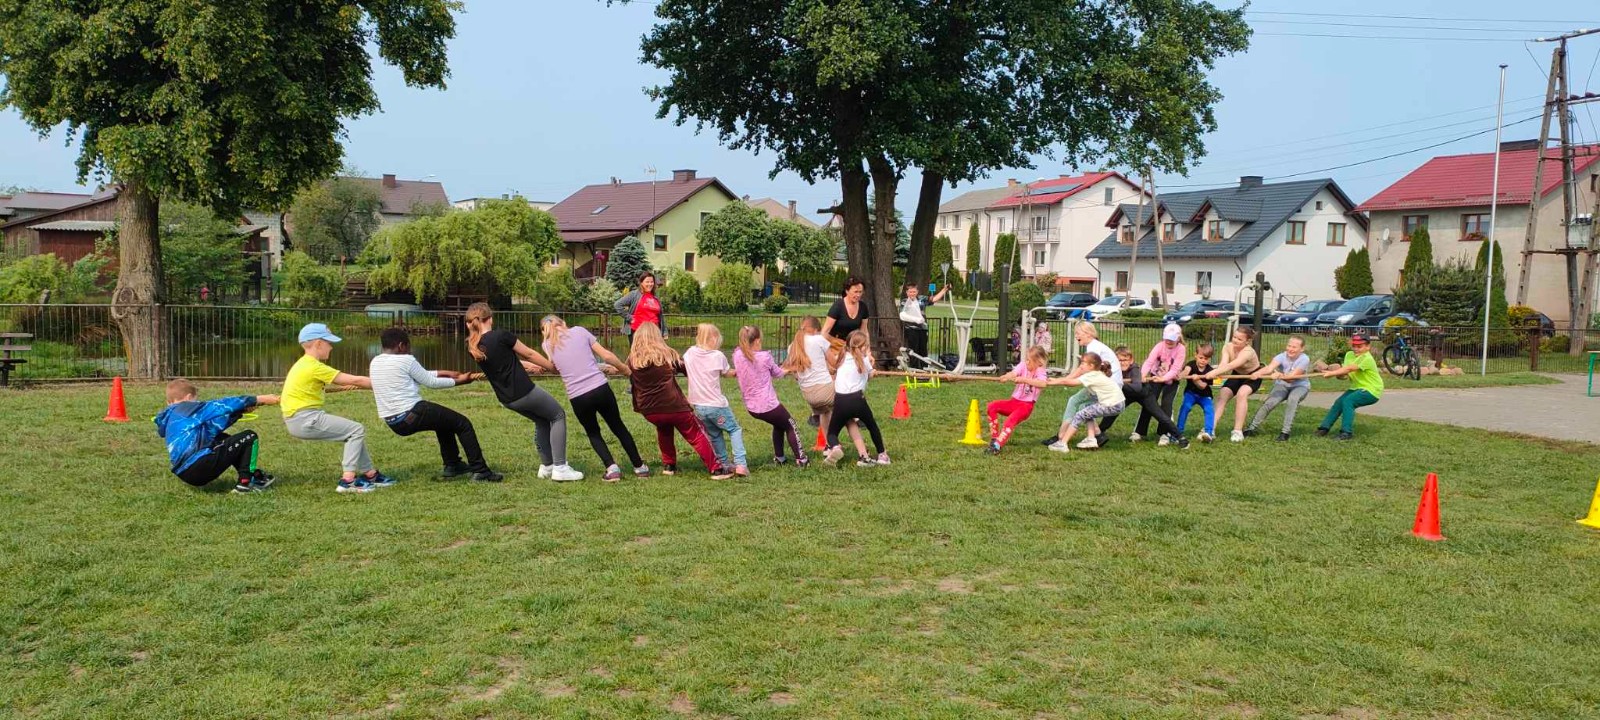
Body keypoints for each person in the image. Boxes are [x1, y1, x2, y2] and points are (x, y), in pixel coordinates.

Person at [464, 303, 583, 482]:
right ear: (490, 319)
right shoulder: (502, 335)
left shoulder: (473, 346)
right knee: (558, 415)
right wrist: (551, 367)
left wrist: (531, 366)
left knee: (542, 420)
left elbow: (506, 361)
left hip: (507, 399)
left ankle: (547, 467)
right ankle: (560, 468)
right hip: (524, 391)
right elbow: (528, 354)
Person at [370, 327, 502, 482]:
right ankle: (481, 471)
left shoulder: (375, 362)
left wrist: (443, 372)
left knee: (444, 423)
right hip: (412, 412)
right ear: (401, 346)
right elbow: (430, 382)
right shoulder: (406, 360)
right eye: (409, 347)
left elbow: (420, 374)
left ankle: (453, 465)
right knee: (463, 423)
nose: (410, 351)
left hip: (395, 422)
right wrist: (460, 381)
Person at [281, 323, 392, 493]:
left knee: (351, 431)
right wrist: (387, 384)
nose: (331, 347)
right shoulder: (314, 367)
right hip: (305, 419)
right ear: (318, 343)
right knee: (355, 430)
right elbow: (355, 380)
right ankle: (348, 481)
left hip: (299, 419)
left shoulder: (303, 364)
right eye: (328, 343)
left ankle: (370, 474)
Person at [542, 315, 648, 482]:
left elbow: (555, 367)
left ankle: (611, 469)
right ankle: (640, 467)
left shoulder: (547, 345)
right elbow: (607, 356)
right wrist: (625, 370)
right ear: (563, 323)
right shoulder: (579, 331)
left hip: (577, 396)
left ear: (545, 331)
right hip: (600, 388)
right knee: (618, 426)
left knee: (593, 432)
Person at [627, 323, 732, 479]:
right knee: (696, 434)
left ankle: (669, 465)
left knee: (664, 430)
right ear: (657, 336)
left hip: (650, 410)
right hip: (674, 406)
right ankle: (716, 469)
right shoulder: (667, 355)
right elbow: (688, 370)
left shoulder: (633, 360)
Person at [155, 379, 279, 493]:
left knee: (222, 438)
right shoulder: (187, 407)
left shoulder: (172, 417)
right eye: (196, 399)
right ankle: (245, 484)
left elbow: (211, 429)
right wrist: (258, 399)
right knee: (249, 437)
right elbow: (221, 405)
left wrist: (240, 411)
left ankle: (253, 475)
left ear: (168, 401)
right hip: (199, 465)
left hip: (186, 473)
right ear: (188, 397)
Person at [784, 316, 867, 454]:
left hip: (809, 395)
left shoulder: (792, 346)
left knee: (825, 411)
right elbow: (835, 363)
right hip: (824, 390)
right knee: (848, 414)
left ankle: (830, 446)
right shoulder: (818, 339)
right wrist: (852, 358)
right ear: (816, 330)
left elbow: (797, 374)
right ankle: (863, 453)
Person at [734, 325, 807, 467]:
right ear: (757, 341)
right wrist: (790, 369)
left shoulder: (737, 355)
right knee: (790, 425)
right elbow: (778, 373)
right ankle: (802, 460)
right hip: (768, 405)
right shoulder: (764, 357)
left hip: (752, 407)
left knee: (779, 424)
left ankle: (780, 458)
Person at [1039, 321, 1122, 447]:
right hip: (1110, 386)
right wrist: (1064, 379)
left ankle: (1061, 436)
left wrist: (1063, 380)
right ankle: (1097, 435)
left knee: (1074, 401)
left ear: (1088, 334)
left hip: (1107, 388)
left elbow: (1082, 369)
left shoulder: (1094, 347)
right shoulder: (1095, 346)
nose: (1076, 336)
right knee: (1083, 406)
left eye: (1078, 333)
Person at [684, 324, 749, 477]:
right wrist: (740, 371)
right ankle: (741, 464)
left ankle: (724, 463)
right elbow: (726, 373)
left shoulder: (689, 353)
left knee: (715, 434)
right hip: (716, 405)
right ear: (713, 338)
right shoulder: (717, 356)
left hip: (699, 405)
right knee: (734, 429)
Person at [1094, 346, 1190, 449]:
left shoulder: (1134, 369)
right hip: (1127, 395)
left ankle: (1181, 438)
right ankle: (1098, 435)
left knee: (1160, 415)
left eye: (1125, 360)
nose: (1122, 363)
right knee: (1112, 412)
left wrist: (1118, 384)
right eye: (1119, 360)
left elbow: (1137, 387)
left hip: (1144, 394)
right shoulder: (1115, 369)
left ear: (1131, 360)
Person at [823, 330, 889, 467]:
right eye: (866, 346)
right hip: (858, 400)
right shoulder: (864, 360)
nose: (867, 348)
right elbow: (869, 376)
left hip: (840, 400)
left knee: (832, 433)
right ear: (862, 347)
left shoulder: (841, 357)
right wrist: (873, 372)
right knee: (872, 427)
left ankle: (835, 447)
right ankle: (882, 455)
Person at [1045, 353, 1124, 454]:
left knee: (1079, 415)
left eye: (1083, 363)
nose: (1080, 365)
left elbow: (1071, 383)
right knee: (1086, 409)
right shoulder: (1096, 373)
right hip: (1118, 403)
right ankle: (1091, 439)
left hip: (1112, 404)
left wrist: (1053, 382)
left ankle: (1062, 443)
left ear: (1091, 366)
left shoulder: (1091, 375)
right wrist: (1057, 380)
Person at [1244, 335, 1313, 441]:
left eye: (1294, 347)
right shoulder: (1281, 356)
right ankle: (1251, 429)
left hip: (1300, 386)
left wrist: (1279, 375)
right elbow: (1269, 368)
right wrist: (1257, 373)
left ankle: (1285, 433)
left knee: (1293, 399)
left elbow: (1291, 379)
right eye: (1289, 346)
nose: (1290, 349)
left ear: (1302, 349)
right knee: (1270, 403)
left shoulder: (1304, 359)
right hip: (1282, 384)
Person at [1317, 332, 1384, 440]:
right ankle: (1323, 428)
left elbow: (1349, 368)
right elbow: (1346, 373)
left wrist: (1332, 373)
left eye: (1359, 346)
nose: (1356, 349)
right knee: (1339, 402)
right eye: (1354, 346)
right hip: (1357, 387)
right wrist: (1337, 374)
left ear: (1368, 347)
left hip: (1372, 390)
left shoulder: (1367, 358)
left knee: (1348, 401)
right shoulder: (1349, 355)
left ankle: (1346, 433)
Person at [984, 345, 1050, 454]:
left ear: (1039, 362)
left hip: (1026, 406)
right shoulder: (1023, 365)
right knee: (992, 406)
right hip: (1014, 402)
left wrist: (1024, 380)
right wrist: (1006, 376)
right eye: (1027, 359)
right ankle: (995, 438)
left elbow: (1042, 384)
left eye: (1030, 361)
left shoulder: (1040, 371)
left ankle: (997, 446)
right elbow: (1013, 373)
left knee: (1010, 421)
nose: (1027, 362)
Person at [1204, 327, 1263, 443]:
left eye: (1239, 339)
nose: (1235, 340)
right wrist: (1217, 372)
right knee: (1223, 394)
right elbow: (1224, 364)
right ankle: (1210, 429)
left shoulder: (1248, 352)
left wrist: (1214, 372)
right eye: (1234, 337)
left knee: (1242, 394)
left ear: (1247, 341)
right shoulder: (1227, 347)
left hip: (1252, 377)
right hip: (1237, 375)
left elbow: (1232, 365)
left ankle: (1237, 431)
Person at [1134, 324, 1186, 442]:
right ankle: (1139, 431)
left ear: (1178, 338)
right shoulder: (1159, 346)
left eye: (1172, 339)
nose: (1169, 341)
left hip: (1171, 380)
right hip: (1155, 377)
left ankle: (1164, 433)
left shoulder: (1181, 349)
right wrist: (1143, 375)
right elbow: (1149, 362)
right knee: (1149, 402)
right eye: (1167, 338)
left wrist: (1164, 378)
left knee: (1166, 404)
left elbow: (1175, 369)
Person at [898, 282, 949, 368]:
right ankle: (914, 369)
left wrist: (944, 290)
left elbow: (933, 299)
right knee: (913, 351)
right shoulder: (904, 302)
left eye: (914, 292)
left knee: (923, 350)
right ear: (907, 292)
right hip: (911, 329)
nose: (912, 294)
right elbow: (902, 315)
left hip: (922, 329)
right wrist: (916, 319)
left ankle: (924, 369)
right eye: (910, 292)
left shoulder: (921, 299)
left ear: (917, 292)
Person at [1176, 343, 1218, 442]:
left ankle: (1208, 432)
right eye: (1201, 358)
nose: (1203, 360)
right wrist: (1181, 375)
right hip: (1191, 393)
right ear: (1196, 355)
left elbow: (1203, 386)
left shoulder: (1210, 370)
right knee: (1185, 407)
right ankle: (1178, 431)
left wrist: (1196, 380)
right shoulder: (1191, 364)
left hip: (1205, 395)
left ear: (1209, 359)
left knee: (1209, 410)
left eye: (1206, 359)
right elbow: (1186, 371)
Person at [614, 271, 666, 345]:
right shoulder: (634, 295)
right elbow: (617, 305)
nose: (650, 284)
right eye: (647, 282)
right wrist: (630, 318)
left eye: (652, 282)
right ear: (641, 283)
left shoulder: (655, 297)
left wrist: (664, 332)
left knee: (654, 351)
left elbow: (660, 316)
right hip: (638, 331)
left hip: (654, 332)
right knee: (640, 352)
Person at [822, 277, 871, 342]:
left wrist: (867, 346)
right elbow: (824, 332)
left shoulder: (863, 307)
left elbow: (864, 331)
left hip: (853, 345)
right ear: (847, 291)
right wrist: (837, 342)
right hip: (836, 344)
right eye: (855, 292)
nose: (858, 295)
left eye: (860, 292)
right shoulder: (838, 306)